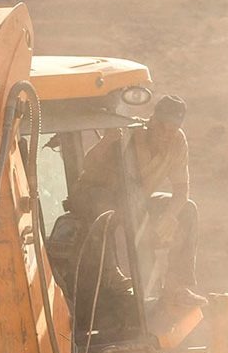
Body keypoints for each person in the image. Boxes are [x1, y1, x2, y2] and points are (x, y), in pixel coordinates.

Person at [65, 94, 203, 305]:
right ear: (152, 120)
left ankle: (177, 286)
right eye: (162, 127)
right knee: (107, 207)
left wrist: (169, 215)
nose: (166, 134)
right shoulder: (127, 132)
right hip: (92, 192)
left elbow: (181, 189)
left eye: (172, 129)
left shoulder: (178, 141)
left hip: (135, 199)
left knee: (187, 209)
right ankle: (111, 275)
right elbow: (87, 164)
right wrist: (107, 141)